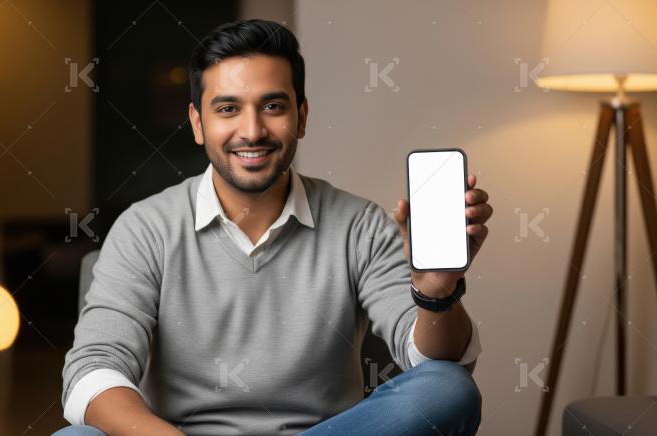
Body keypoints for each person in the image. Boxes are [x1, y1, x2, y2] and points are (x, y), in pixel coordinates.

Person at [55, 18, 493, 436]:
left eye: (273, 106)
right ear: (197, 123)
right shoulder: (145, 228)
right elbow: (94, 370)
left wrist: (435, 293)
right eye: (228, 108)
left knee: (448, 387)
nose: (252, 130)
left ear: (301, 117)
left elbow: (430, 362)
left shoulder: (359, 225)